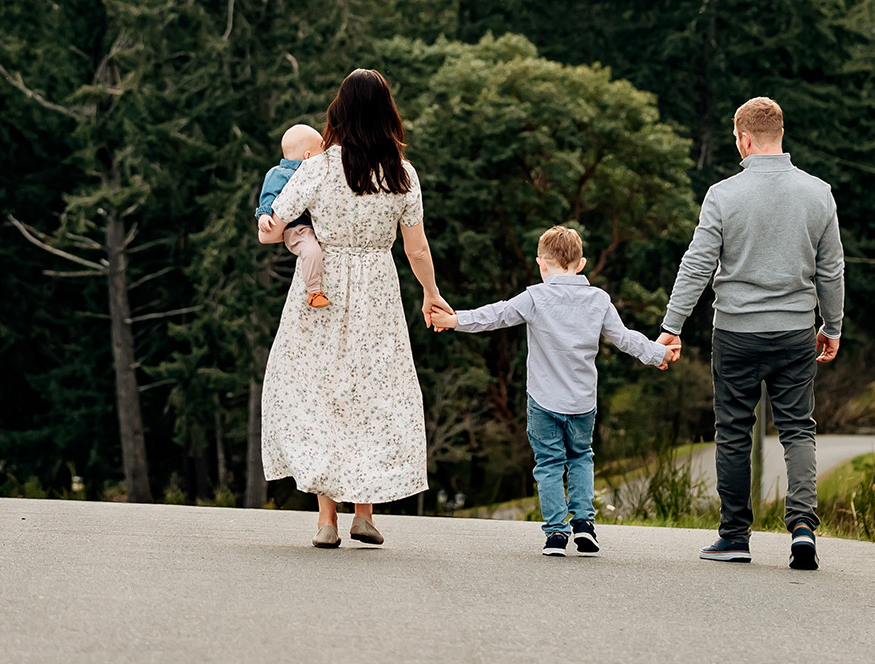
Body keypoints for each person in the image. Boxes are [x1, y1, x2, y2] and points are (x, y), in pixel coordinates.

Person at [254, 69, 453, 548]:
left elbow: (272, 225)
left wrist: (275, 227)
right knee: (372, 394)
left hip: (322, 291)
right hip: (378, 290)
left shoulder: (318, 167)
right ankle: (365, 513)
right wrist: (430, 293)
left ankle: (327, 521)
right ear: (388, 113)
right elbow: (417, 248)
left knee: (322, 392)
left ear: (338, 112)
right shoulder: (402, 174)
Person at [657, 96, 844, 571]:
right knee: (799, 429)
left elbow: (697, 263)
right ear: (780, 135)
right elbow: (832, 270)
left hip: (737, 333)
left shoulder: (723, 195)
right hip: (796, 331)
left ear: (743, 139)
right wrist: (832, 326)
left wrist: (671, 326)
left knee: (734, 432)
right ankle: (803, 528)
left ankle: (735, 536)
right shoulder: (818, 192)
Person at [427, 227, 679, 557]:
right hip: (582, 402)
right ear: (582, 263)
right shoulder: (599, 300)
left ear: (541, 265)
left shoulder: (534, 297)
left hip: (544, 401)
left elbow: (495, 314)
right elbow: (625, 338)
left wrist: (454, 320)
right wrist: (658, 354)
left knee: (548, 464)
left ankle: (557, 533)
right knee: (580, 458)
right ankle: (585, 525)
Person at [255, 123, 330, 308]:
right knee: (310, 251)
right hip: (297, 228)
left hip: (314, 225)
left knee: (318, 252)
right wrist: (264, 215)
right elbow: (268, 197)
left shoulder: (317, 176)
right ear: (308, 156)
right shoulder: (279, 174)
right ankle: (314, 291)